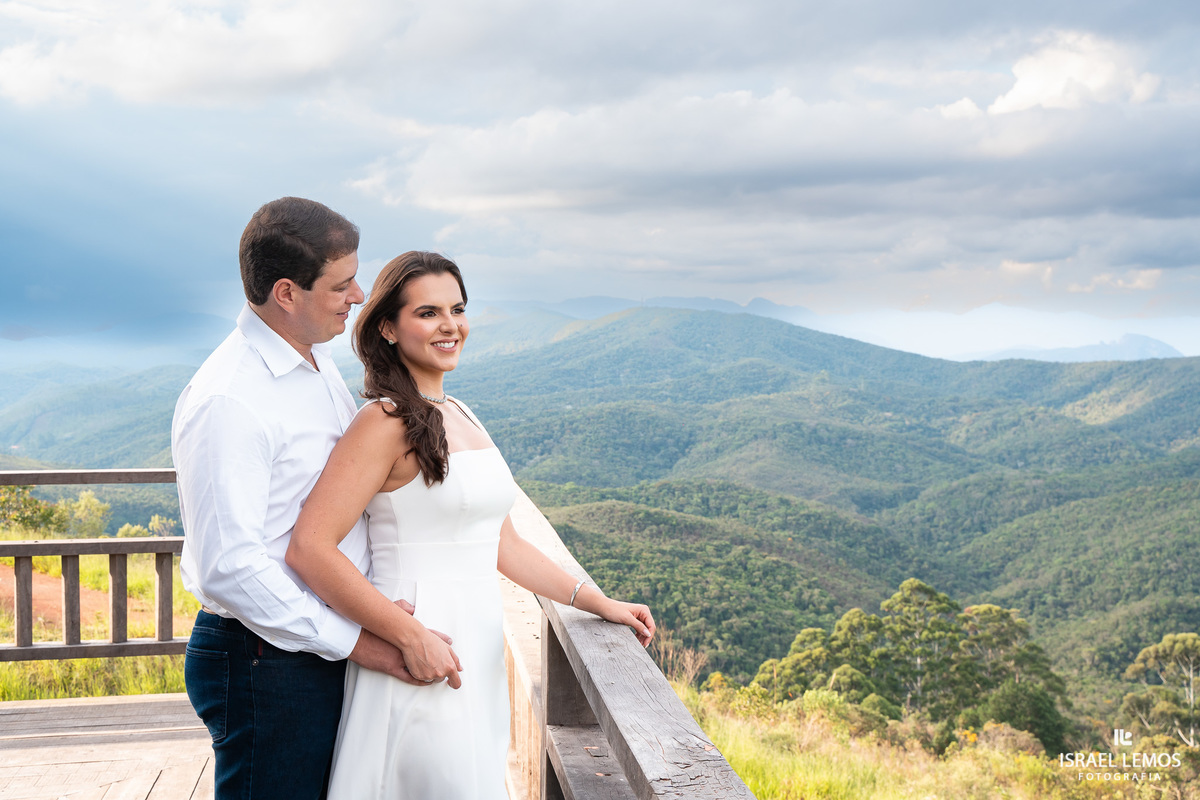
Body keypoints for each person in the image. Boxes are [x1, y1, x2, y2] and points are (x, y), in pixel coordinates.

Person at [286, 250, 656, 799]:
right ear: (387, 327)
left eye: (457, 309)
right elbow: (310, 547)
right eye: (428, 312)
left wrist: (596, 601)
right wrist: (406, 634)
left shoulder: (459, 411)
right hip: (421, 644)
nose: (450, 326)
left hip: (476, 644)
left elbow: (502, 544)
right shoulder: (383, 422)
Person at [173, 198, 448, 800]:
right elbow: (231, 567)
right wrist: (362, 642)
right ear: (287, 293)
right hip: (264, 659)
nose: (356, 297)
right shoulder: (231, 399)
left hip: (309, 645)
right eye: (341, 285)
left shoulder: (314, 360)